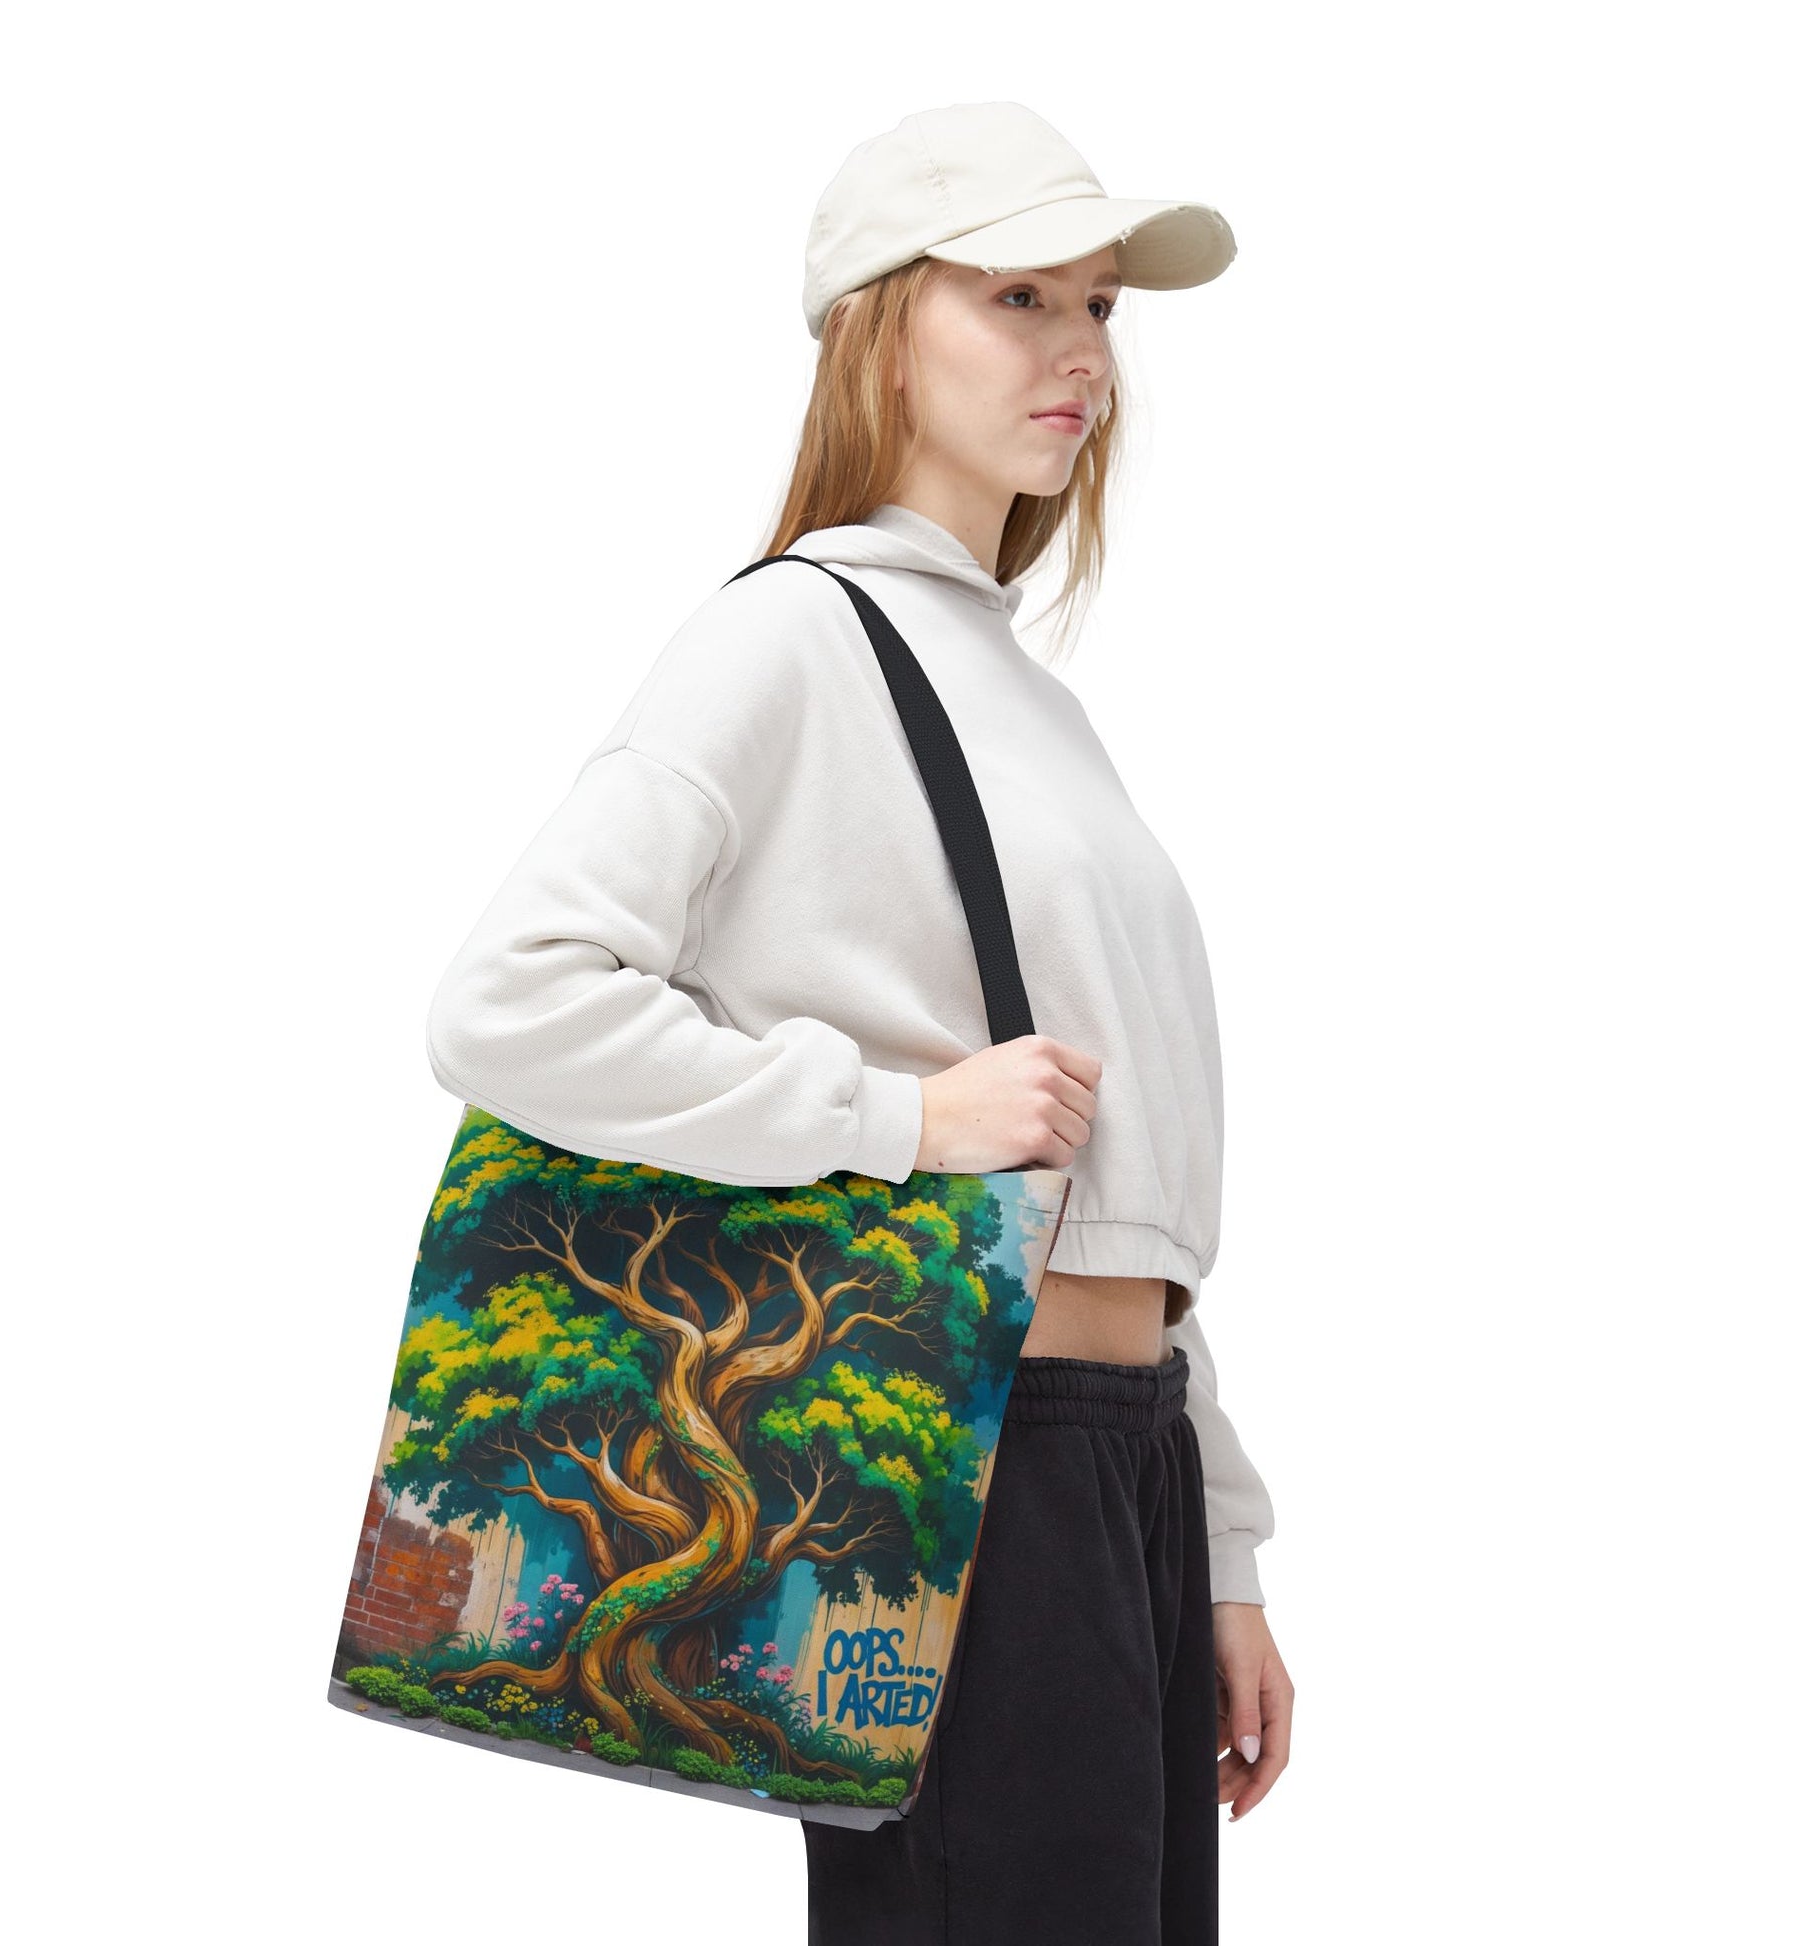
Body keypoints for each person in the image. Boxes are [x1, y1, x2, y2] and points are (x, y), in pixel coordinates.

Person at [424, 99, 1293, 1944]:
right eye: (1018, 296)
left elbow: (1117, 1179)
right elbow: (508, 1003)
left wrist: (1216, 1545)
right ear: (881, 331)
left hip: (1113, 1455)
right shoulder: (787, 638)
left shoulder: (1030, 698)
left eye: (1100, 305)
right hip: (965, 1453)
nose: (1080, 348)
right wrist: (899, 1119)